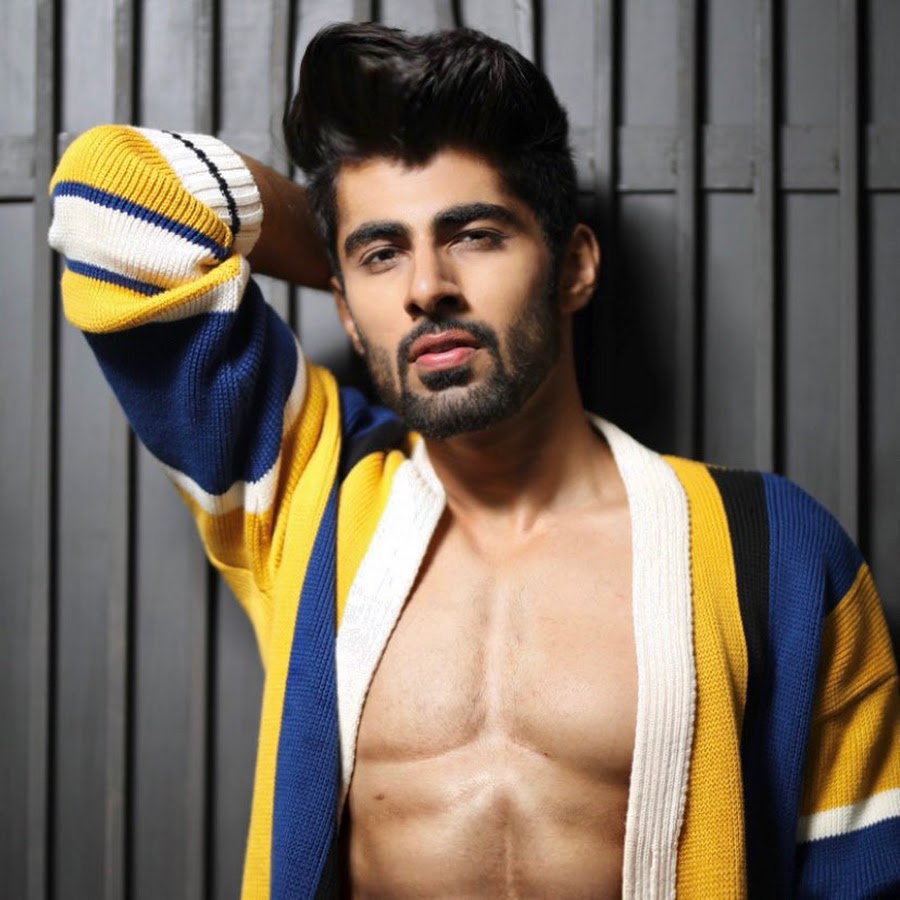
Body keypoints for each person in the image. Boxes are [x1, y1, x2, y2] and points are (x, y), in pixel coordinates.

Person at [48, 21, 898, 900]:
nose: (426, 289)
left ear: (574, 267)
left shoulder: (775, 549)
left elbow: (864, 872)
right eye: (383, 254)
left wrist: (362, 250)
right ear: (344, 310)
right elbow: (110, 192)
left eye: (475, 235)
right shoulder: (310, 493)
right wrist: (338, 242)